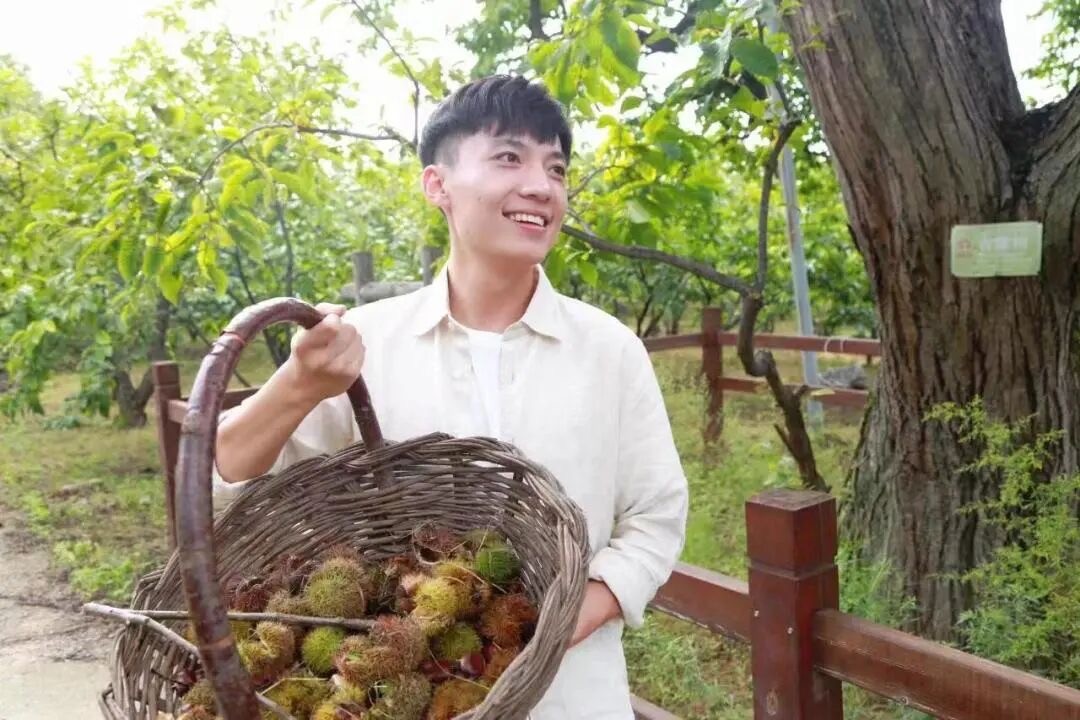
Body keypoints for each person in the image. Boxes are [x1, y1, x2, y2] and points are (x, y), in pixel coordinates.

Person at [213, 74, 688, 719]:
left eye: (556, 168)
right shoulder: (365, 344)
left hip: (575, 698)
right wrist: (298, 385)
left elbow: (656, 517)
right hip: (406, 696)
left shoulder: (610, 349)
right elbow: (228, 474)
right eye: (509, 157)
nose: (541, 186)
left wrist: (560, 623)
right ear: (437, 185)